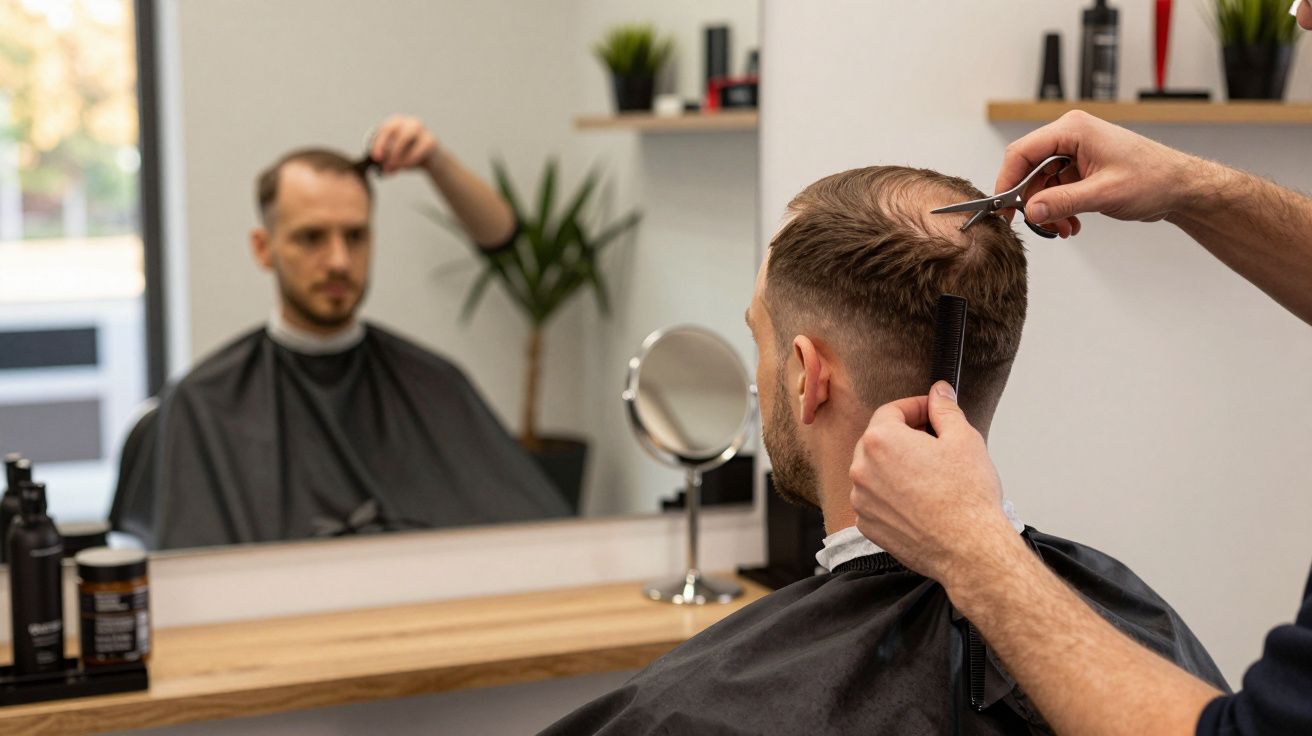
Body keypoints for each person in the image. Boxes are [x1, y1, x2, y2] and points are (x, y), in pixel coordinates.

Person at [540, 165, 1225, 735]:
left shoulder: (685, 711)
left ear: (808, 377)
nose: (759, 374)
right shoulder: (1141, 641)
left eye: (761, 338)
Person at [849, 109, 1312, 736]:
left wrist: (970, 549)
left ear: (805, 374)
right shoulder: (1144, 615)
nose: (1305, 17)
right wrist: (1190, 185)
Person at [112, 115, 570, 550]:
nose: (338, 260)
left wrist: (434, 160)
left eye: (355, 236)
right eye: (311, 238)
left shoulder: (435, 384)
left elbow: (536, 548)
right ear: (263, 248)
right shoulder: (204, 403)